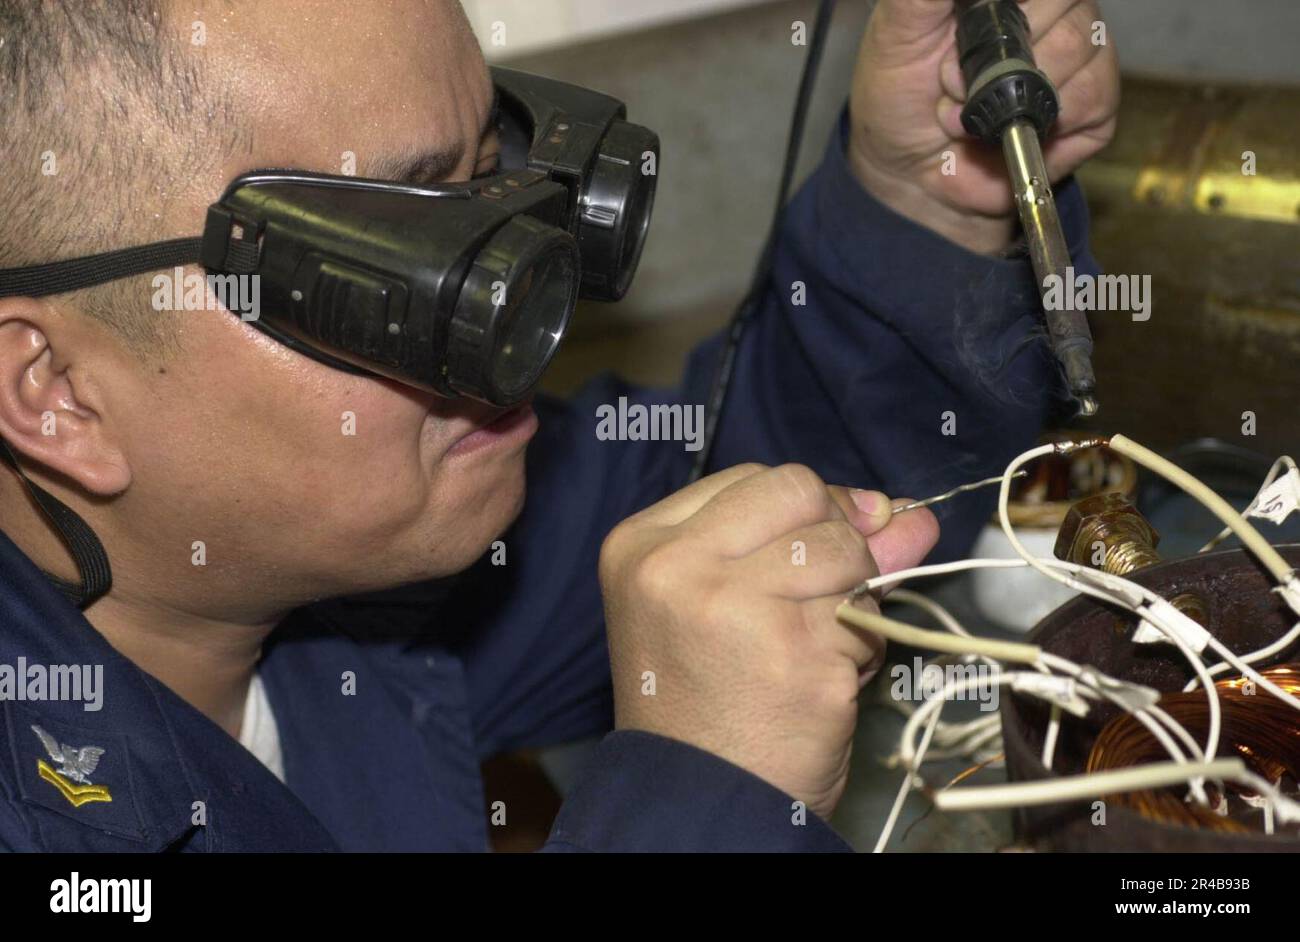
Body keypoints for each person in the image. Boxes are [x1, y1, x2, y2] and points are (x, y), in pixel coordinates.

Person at [0, 0, 1117, 851]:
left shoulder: (353, 584)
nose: (519, 309)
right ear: (55, 388)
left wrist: (922, 202)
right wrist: (704, 800)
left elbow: (739, 514)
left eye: (496, 183)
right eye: (398, 270)